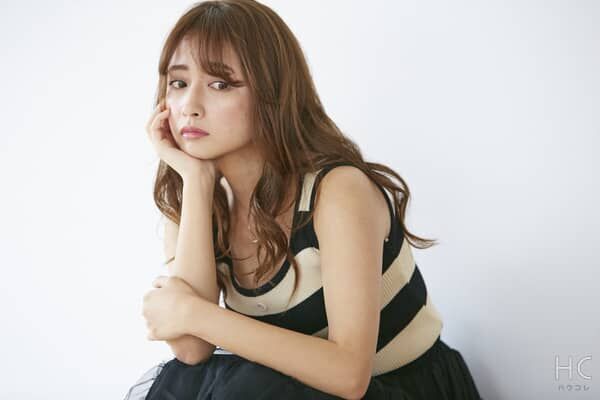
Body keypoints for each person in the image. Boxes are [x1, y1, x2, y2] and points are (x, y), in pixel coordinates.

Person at [124, 0, 483, 399]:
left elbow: (350, 375)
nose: (189, 107)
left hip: (400, 389)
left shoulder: (336, 191)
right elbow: (193, 350)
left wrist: (193, 312)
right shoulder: (195, 198)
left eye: (220, 84)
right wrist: (196, 180)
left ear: (271, 93)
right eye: (178, 83)